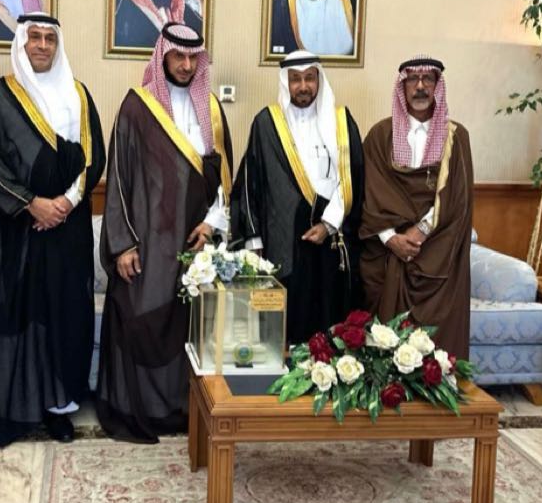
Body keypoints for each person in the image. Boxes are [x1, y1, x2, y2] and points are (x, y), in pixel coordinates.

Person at [0, 13, 105, 447]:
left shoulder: (78, 94)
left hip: (67, 230)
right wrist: (31, 203)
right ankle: (13, 411)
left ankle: (59, 409)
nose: (42, 45)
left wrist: (66, 202)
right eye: (34, 38)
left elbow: (94, 156)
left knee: (64, 316)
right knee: (20, 317)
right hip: (16, 233)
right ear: (20, 43)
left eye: (49, 38)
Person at [96, 22, 232, 442]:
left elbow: (223, 178)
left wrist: (212, 223)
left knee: (189, 323)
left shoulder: (211, 109)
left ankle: (182, 410)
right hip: (148, 244)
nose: (187, 65)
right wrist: (123, 244)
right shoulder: (137, 107)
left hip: (195, 243)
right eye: (178, 56)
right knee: (143, 319)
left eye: (193, 57)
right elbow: (119, 179)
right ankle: (142, 411)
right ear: (162, 56)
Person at [231, 51, 364, 342]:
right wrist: (254, 242)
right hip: (282, 241)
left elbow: (352, 177)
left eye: (309, 78)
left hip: (329, 241)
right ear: (286, 82)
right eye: (295, 79)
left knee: (329, 321)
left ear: (319, 80)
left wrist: (328, 224)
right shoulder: (267, 123)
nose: (303, 86)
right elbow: (251, 183)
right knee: (285, 321)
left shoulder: (341, 122)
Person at [359, 56, 474, 359]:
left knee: (436, 351)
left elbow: (457, 200)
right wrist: (390, 239)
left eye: (428, 80)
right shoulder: (380, 136)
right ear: (403, 86)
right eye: (413, 79)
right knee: (384, 342)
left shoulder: (456, 137)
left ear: (438, 86)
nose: (420, 86)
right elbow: (368, 193)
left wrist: (420, 232)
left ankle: (436, 381)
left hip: (436, 251)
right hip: (387, 253)